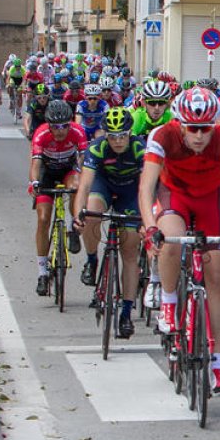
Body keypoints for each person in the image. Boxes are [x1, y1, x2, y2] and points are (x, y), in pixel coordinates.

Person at [138, 88, 220, 394]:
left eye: (206, 128)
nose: (200, 136)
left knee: (216, 278)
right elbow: (146, 187)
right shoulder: (162, 136)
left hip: (208, 200)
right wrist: (151, 227)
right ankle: (167, 304)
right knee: (171, 240)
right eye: (193, 128)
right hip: (174, 196)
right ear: (180, 124)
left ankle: (217, 363)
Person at [72, 107, 145, 337]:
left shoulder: (139, 148)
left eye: (122, 135)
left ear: (129, 133)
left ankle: (125, 314)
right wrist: (78, 216)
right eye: (113, 136)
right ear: (106, 135)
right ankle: (92, 260)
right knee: (91, 214)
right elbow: (84, 186)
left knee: (130, 251)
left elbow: (146, 188)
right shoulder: (97, 148)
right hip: (104, 186)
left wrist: (145, 219)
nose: (118, 141)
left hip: (131, 192)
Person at [29, 100, 88, 296]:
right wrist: (35, 183)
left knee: (76, 186)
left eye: (64, 125)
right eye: (56, 126)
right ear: (49, 125)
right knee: (43, 218)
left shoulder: (77, 131)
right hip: (47, 172)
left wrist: (79, 173)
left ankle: (72, 227)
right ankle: (42, 272)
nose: (60, 131)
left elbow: (82, 158)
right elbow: (35, 165)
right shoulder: (41, 134)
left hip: (68, 169)